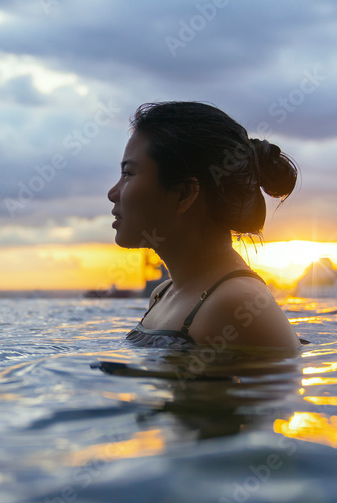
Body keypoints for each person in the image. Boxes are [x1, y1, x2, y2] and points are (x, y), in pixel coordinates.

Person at [108, 101, 303, 351]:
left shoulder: (235, 305)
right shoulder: (164, 293)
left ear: (183, 194)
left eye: (128, 174)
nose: (112, 193)